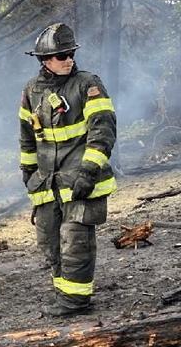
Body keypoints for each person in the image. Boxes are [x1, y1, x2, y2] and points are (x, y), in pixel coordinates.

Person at [18, 23, 117, 316]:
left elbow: (103, 132)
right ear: (45, 60)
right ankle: (65, 293)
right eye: (61, 56)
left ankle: (76, 301)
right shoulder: (31, 91)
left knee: (75, 240)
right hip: (46, 184)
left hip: (80, 182)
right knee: (50, 243)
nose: (68, 60)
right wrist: (28, 174)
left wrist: (88, 171)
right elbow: (26, 136)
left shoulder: (88, 85)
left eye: (70, 54)